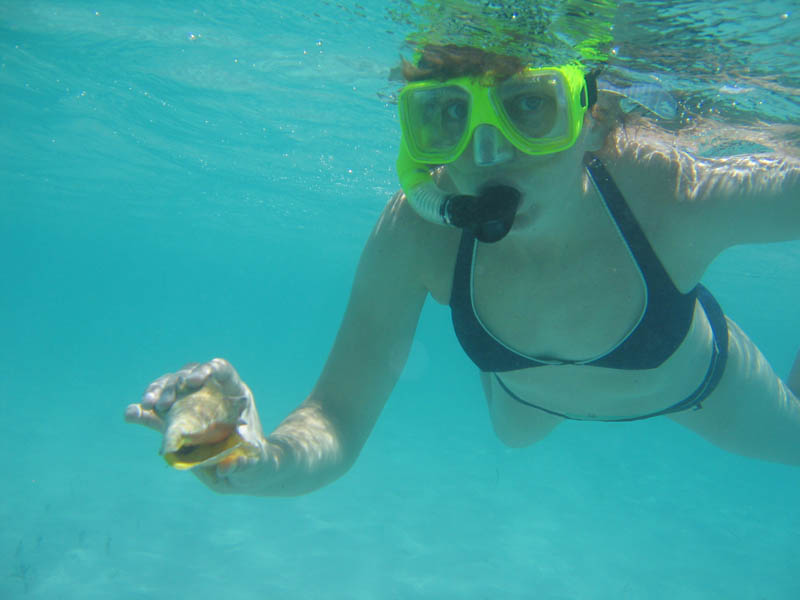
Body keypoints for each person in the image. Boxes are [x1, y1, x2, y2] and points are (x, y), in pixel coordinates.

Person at [125, 45, 800, 496]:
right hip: (526, 410)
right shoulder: (417, 234)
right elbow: (336, 417)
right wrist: (257, 461)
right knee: (518, 440)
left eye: (528, 104)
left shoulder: (665, 194)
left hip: (695, 387)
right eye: (448, 113)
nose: (488, 150)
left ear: (592, 121)